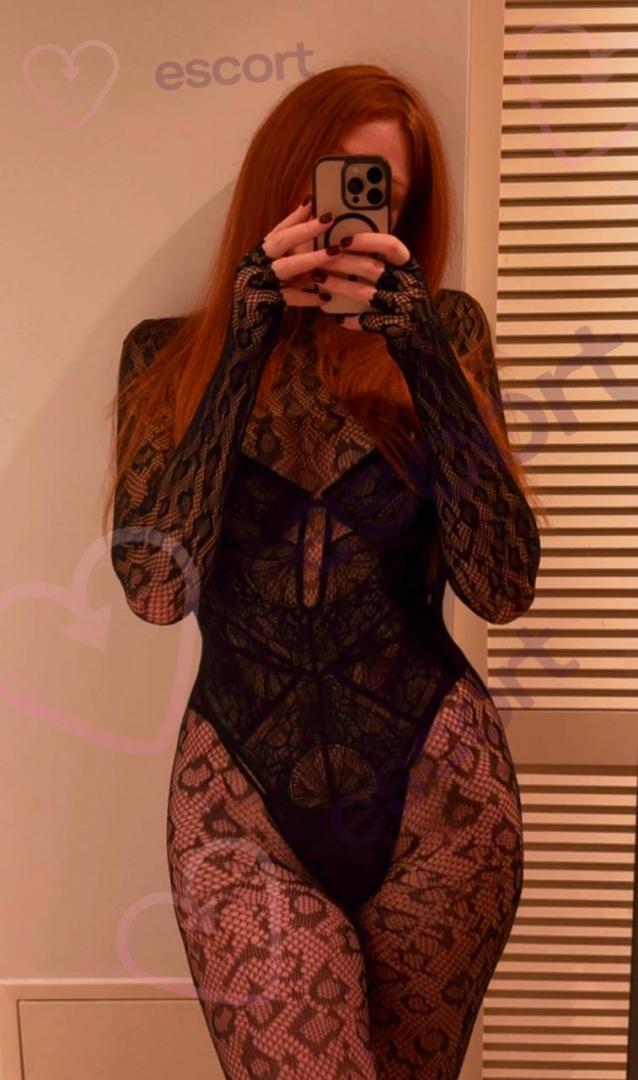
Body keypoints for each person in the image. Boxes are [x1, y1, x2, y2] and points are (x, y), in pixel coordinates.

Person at [104, 63, 542, 1080]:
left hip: (441, 800)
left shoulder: (446, 335)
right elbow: (157, 593)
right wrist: (242, 341)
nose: (344, 217)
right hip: (240, 810)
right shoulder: (165, 356)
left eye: (376, 193)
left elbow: (502, 586)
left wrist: (422, 349)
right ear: (278, 185)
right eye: (326, 183)